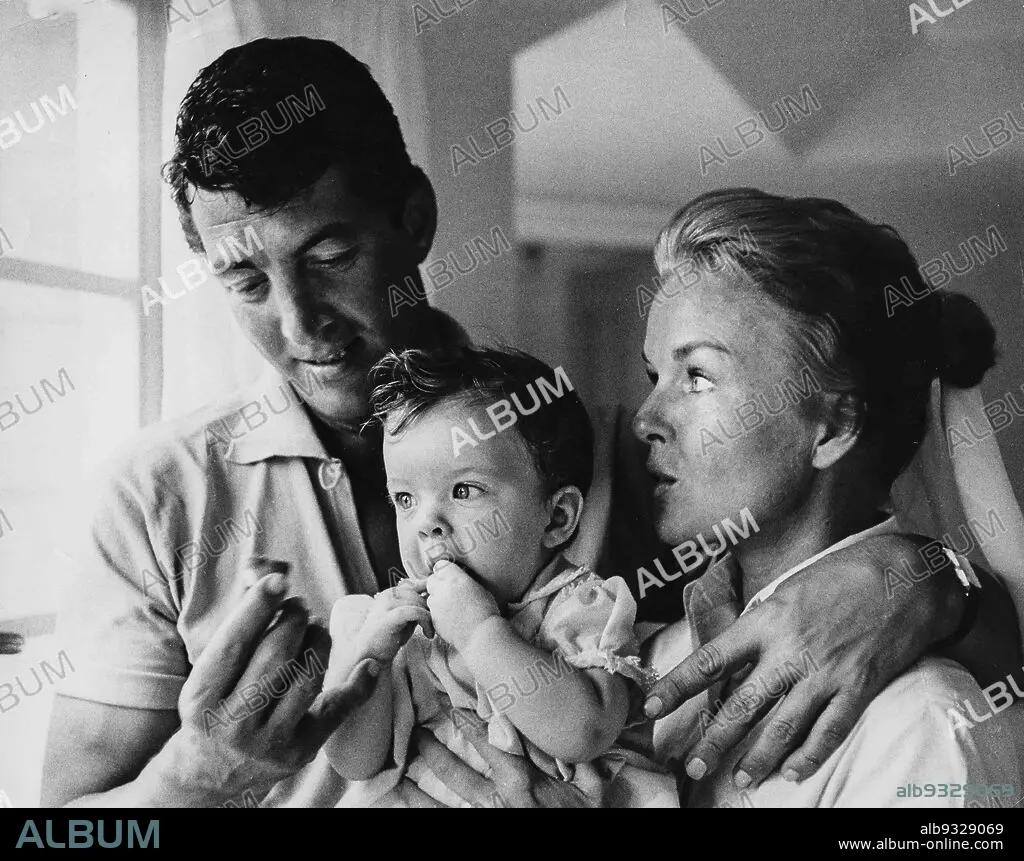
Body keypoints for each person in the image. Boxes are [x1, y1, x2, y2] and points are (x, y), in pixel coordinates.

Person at [41, 37, 1021, 808]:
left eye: (331, 256)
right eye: (245, 281)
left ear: (413, 221)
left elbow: (928, 653)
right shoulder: (158, 498)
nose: (300, 327)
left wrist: (928, 580)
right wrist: (206, 770)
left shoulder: (614, 459)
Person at [636, 189, 1023, 806]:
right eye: (654, 376)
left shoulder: (923, 728)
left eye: (699, 377)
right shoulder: (642, 664)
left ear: (835, 427)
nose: (645, 419)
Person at [324, 346, 675, 807]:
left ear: (556, 518)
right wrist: (369, 658)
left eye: (463, 490)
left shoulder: (579, 608)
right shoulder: (403, 630)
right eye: (405, 499)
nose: (427, 523)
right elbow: (355, 761)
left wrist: (479, 633)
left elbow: (585, 732)